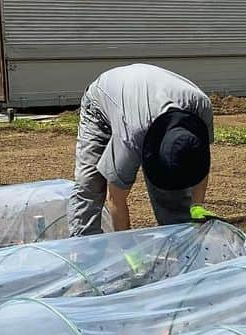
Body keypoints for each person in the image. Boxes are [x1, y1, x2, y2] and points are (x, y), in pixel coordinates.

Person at [69, 64, 214, 236]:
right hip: (100, 105)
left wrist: (196, 206)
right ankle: (84, 248)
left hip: (142, 100)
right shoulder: (132, 136)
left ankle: (181, 245)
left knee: (172, 189)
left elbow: (199, 161)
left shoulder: (201, 108)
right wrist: (128, 250)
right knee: (90, 183)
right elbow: (115, 199)